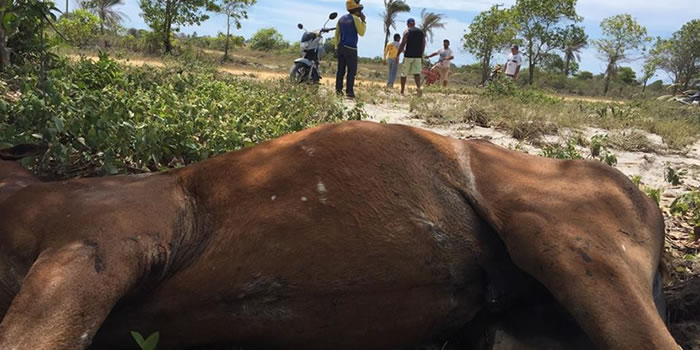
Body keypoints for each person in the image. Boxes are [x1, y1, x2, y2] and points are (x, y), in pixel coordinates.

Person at [335, 0, 367, 99]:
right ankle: (349, 92)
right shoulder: (356, 19)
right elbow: (361, 33)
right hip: (351, 48)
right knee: (351, 71)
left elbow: (337, 34)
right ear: (356, 10)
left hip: (341, 47)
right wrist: (363, 21)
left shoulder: (341, 19)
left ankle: (338, 90)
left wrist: (336, 47)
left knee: (340, 70)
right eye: (359, 11)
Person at [398, 18, 425, 96]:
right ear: (414, 23)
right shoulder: (421, 32)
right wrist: (421, 54)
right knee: (417, 74)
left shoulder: (407, 31)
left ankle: (402, 91)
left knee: (404, 74)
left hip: (408, 55)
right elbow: (423, 44)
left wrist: (398, 54)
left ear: (408, 24)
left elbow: (403, 43)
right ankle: (418, 88)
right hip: (417, 56)